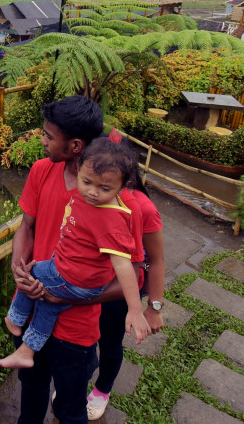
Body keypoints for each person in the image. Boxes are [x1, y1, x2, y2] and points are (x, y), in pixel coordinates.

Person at [9, 95, 141, 424]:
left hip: (76, 329)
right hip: (31, 309)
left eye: (49, 136)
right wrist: (17, 265)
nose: (42, 141)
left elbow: (133, 276)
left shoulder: (119, 204)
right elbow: (26, 227)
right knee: (32, 390)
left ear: (75, 145)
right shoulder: (41, 171)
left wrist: (64, 295)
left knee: (69, 408)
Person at [0, 138, 150, 370]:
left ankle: (14, 318)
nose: (93, 192)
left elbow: (124, 266)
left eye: (105, 188)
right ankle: (27, 351)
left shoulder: (110, 219)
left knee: (32, 271)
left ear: (123, 186)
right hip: (78, 277)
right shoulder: (88, 199)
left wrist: (136, 311)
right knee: (49, 304)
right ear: (78, 170)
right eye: (87, 182)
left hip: (72, 278)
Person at [86, 132, 166, 420]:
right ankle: (77, 383)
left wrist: (153, 307)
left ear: (126, 173)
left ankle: (102, 389)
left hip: (118, 290)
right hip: (86, 283)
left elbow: (156, 260)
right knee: (81, 338)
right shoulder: (89, 193)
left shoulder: (142, 207)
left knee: (108, 341)